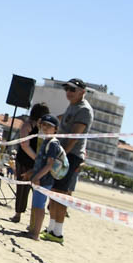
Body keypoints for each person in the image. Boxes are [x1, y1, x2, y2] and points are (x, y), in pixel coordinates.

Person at [44, 78, 94, 244]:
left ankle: (58, 232)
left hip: (70, 156)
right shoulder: (72, 106)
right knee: (54, 193)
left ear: (82, 92)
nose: (69, 92)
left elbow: (74, 137)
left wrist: (62, 156)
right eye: (67, 89)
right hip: (62, 153)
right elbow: (62, 121)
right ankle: (51, 228)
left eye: (73, 89)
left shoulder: (84, 109)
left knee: (61, 195)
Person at [24, 113, 67, 241]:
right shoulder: (46, 141)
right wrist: (32, 172)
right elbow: (41, 162)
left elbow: (49, 164)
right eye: (44, 124)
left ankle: (36, 233)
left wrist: (37, 177)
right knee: (36, 205)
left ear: (55, 129)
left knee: (39, 207)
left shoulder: (53, 144)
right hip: (40, 177)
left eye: (49, 126)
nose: (45, 127)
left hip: (44, 180)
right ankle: (33, 230)